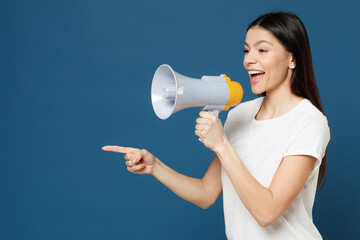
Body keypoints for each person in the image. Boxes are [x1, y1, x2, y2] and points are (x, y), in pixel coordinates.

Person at [102, 11, 330, 240]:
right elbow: (206, 193)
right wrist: (154, 167)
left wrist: (221, 144)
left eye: (262, 50)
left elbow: (267, 212)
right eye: (246, 50)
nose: (249, 60)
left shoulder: (309, 122)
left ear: (293, 59)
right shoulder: (240, 114)